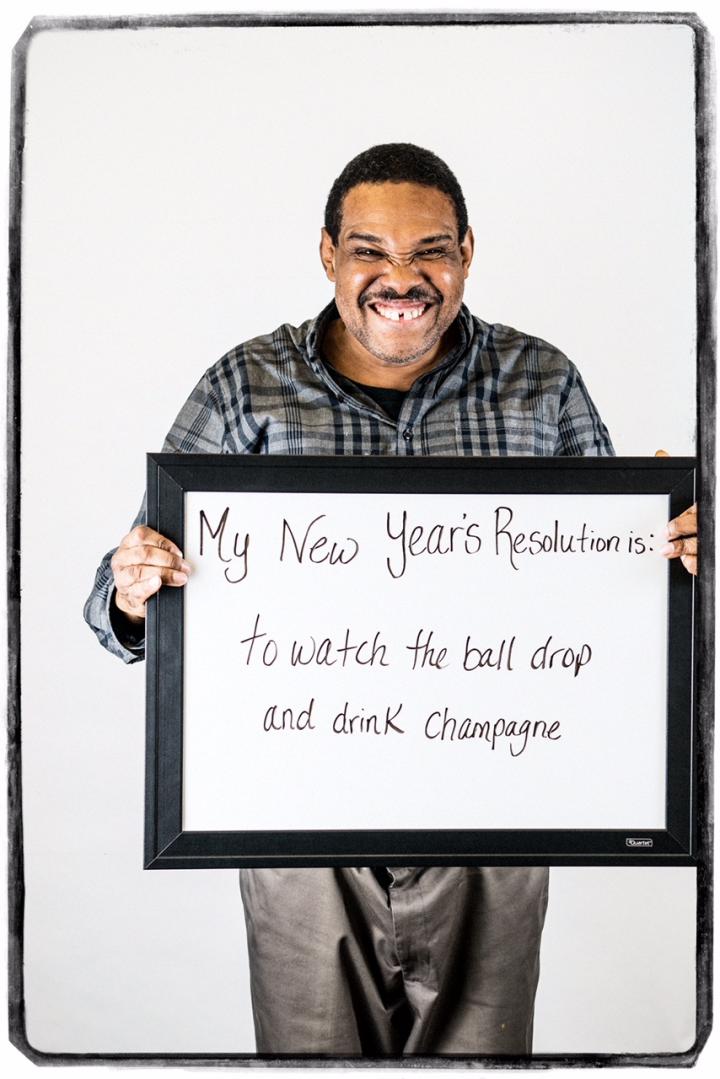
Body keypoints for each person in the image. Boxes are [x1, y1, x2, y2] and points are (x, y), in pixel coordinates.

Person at [84, 143, 697, 1056]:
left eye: (431, 251)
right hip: (295, 822)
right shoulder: (244, 386)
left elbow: (608, 600)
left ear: (468, 253)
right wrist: (135, 589)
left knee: (484, 1065)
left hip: (497, 812)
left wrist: (671, 552)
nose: (401, 279)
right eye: (370, 251)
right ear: (328, 254)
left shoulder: (543, 383)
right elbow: (119, 604)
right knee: (311, 1064)